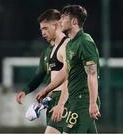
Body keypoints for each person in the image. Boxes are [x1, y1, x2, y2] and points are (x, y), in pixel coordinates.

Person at [35, 5, 101, 133]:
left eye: (64, 17)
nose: (60, 21)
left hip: (82, 101)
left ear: (74, 21)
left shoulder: (84, 42)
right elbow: (66, 71)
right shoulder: (71, 44)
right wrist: (46, 89)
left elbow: (92, 74)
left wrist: (92, 103)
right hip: (73, 99)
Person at [16, 9, 69, 133]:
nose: (43, 33)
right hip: (53, 98)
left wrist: (61, 102)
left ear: (55, 25)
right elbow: (40, 74)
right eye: (41, 30)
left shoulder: (68, 46)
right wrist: (26, 90)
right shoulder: (47, 52)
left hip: (66, 99)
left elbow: (69, 75)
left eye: (45, 28)